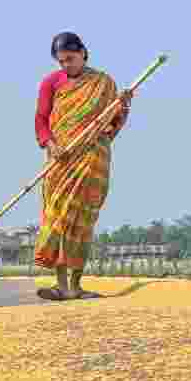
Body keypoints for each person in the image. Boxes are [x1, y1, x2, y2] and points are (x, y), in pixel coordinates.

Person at [33, 31, 134, 301]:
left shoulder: (104, 83)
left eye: (70, 59)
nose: (66, 65)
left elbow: (111, 125)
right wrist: (50, 144)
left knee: (82, 221)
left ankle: (75, 287)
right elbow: (41, 120)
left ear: (83, 53)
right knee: (58, 217)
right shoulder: (51, 83)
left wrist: (122, 107)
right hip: (60, 161)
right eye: (61, 61)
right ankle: (61, 285)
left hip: (92, 159)